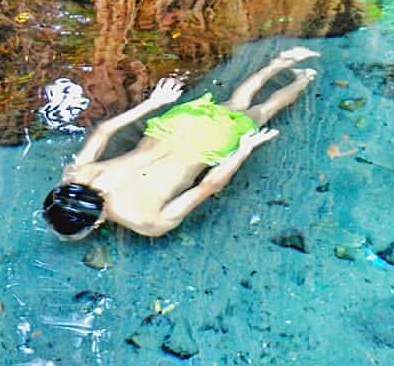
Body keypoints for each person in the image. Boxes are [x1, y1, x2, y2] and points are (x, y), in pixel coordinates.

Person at [42, 47, 319, 239]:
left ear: (99, 221)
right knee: (236, 101)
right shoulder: (76, 175)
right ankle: (276, 64)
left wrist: (242, 151)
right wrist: (154, 103)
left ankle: (305, 78)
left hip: (209, 143)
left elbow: (209, 186)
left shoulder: (146, 221)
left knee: (264, 111)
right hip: (173, 125)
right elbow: (103, 132)